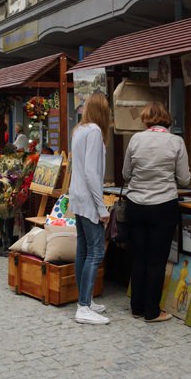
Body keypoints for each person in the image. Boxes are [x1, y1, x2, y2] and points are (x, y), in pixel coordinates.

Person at [123, 102, 190, 323]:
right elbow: (185, 179)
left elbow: (126, 173)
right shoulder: (176, 142)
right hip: (163, 205)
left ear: (146, 119)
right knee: (157, 260)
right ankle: (152, 311)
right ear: (166, 119)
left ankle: (136, 307)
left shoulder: (135, 140)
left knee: (139, 257)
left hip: (136, 204)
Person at [68, 92, 111, 325]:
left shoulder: (79, 130)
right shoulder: (94, 131)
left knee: (83, 250)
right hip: (88, 200)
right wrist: (102, 208)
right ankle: (84, 306)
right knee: (96, 252)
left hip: (78, 197)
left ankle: (84, 300)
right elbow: (92, 174)